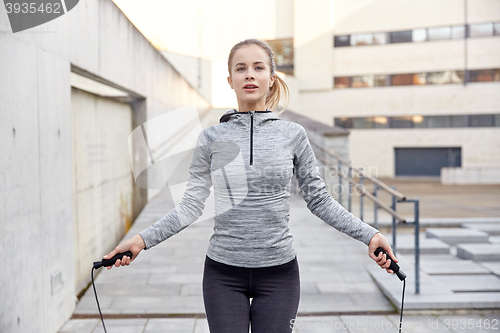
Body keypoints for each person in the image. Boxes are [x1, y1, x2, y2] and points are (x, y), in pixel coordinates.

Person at [103, 38, 398, 333]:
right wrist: (141, 240)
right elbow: (191, 206)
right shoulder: (210, 137)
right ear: (230, 80)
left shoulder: (293, 134)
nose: (250, 75)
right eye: (241, 69)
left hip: (280, 274)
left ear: (271, 78)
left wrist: (369, 235)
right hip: (222, 274)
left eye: (258, 67)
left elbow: (319, 200)